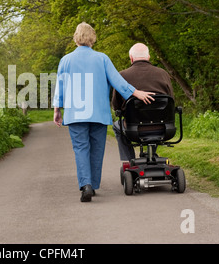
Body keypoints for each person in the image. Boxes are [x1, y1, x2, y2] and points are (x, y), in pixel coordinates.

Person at [53, 23, 155, 202]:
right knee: (97, 149)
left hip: (75, 113)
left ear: (76, 37)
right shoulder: (102, 59)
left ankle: (86, 185)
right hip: (98, 113)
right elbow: (118, 81)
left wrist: (57, 109)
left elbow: (60, 88)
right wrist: (136, 92)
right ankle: (93, 184)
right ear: (92, 38)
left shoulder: (66, 60)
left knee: (81, 149)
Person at [111, 43, 174, 163]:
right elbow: (171, 101)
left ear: (131, 58)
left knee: (116, 126)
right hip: (162, 127)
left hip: (133, 129)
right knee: (156, 118)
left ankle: (129, 161)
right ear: (148, 57)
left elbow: (116, 106)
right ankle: (152, 152)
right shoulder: (163, 74)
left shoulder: (122, 76)